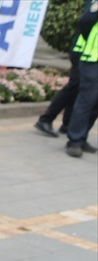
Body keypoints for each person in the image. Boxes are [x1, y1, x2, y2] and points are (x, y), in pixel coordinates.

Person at [36, 1, 98, 142]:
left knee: (79, 88)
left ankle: (67, 124)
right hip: (83, 51)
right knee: (75, 85)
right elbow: (86, 22)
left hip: (87, 52)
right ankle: (47, 118)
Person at [64, 2, 98, 158]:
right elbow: (85, 22)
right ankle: (74, 141)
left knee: (95, 104)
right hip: (92, 60)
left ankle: (82, 137)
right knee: (86, 101)